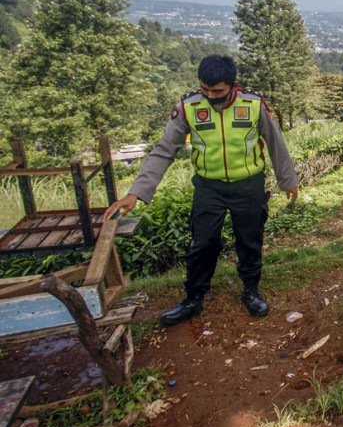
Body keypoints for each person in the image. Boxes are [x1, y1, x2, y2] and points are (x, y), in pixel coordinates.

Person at [103, 55, 298, 326]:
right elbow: (164, 150)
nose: (210, 96)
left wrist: (288, 180)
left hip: (248, 185)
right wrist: (136, 192)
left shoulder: (253, 104)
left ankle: (251, 291)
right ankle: (193, 298)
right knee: (203, 243)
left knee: (249, 241)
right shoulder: (188, 107)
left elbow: (275, 143)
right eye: (204, 89)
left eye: (217, 91)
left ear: (233, 85)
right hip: (208, 187)